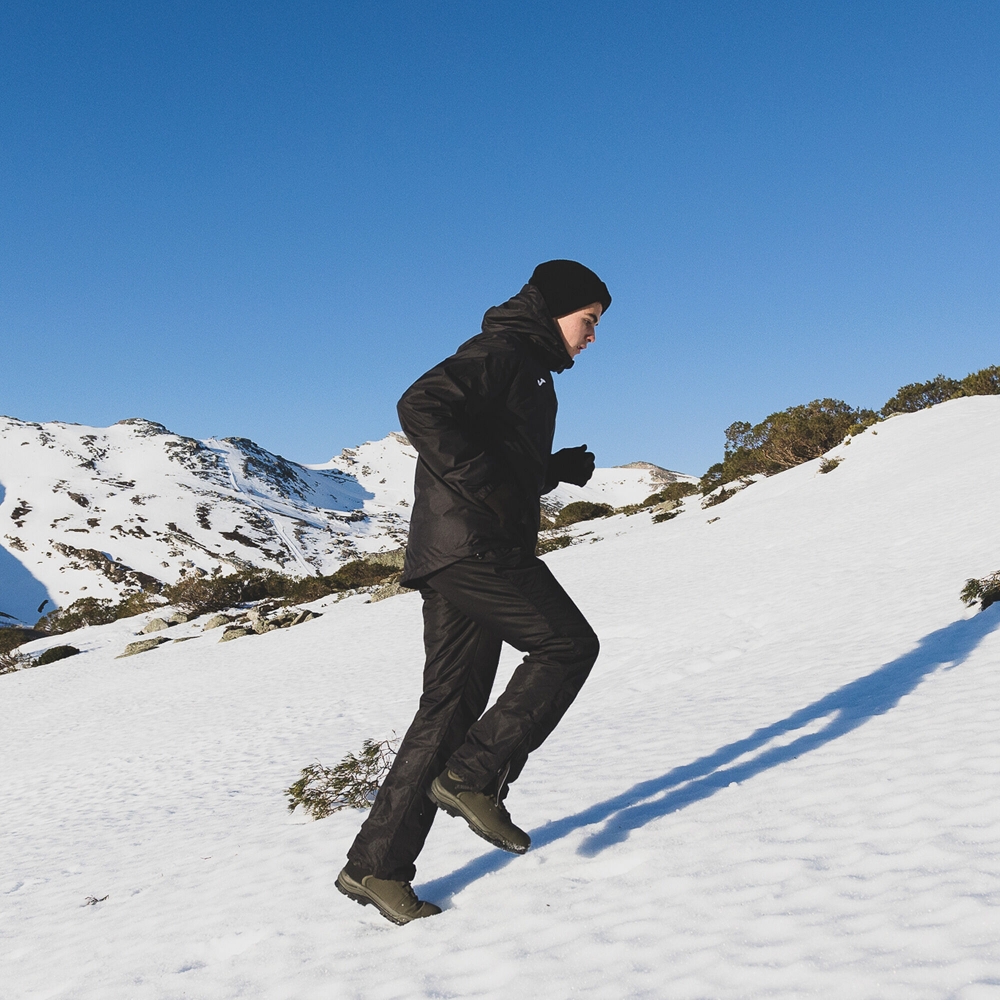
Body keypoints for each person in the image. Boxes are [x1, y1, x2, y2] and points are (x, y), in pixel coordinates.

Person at [337, 260, 611, 925]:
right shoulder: (507, 351)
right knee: (567, 645)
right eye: (589, 321)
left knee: (451, 708)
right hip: (475, 547)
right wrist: (492, 480)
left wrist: (548, 470)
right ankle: (473, 777)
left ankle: (375, 867)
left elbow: (492, 459)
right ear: (555, 311)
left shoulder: (527, 365)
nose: (593, 337)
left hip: (456, 548)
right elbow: (422, 405)